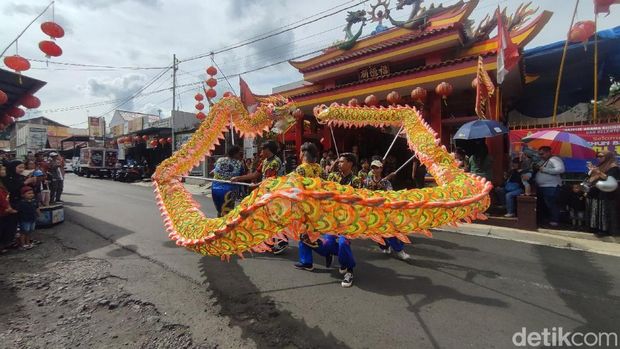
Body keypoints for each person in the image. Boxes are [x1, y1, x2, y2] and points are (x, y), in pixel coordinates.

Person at [296, 153, 360, 288]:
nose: (339, 163)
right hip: (331, 218)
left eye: (342, 161)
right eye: (339, 161)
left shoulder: (356, 180)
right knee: (326, 244)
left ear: (350, 164)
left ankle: (349, 270)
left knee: (343, 244)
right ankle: (333, 256)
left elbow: (356, 199)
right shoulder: (332, 176)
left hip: (347, 219)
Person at [231, 141, 288, 254]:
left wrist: (255, 185)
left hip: (275, 194)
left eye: (263, 149)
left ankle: (282, 241)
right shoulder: (265, 161)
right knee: (267, 218)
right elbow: (256, 175)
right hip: (266, 194)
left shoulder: (275, 162)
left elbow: (268, 180)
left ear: (268, 150)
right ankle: (271, 240)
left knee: (275, 218)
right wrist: (239, 178)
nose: (261, 152)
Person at [365, 160, 411, 260]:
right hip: (372, 211)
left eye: (377, 168)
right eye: (373, 167)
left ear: (381, 169)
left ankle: (399, 251)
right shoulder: (367, 180)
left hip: (384, 211)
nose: (375, 170)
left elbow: (391, 195)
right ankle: (385, 246)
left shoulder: (386, 183)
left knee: (389, 232)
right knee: (375, 233)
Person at [584, 150, 619, 236]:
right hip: (596, 192)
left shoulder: (613, 167)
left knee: (604, 212)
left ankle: (604, 229)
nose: (599, 158)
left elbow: (611, 179)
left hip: (607, 194)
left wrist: (598, 172)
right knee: (595, 211)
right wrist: (591, 172)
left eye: (601, 156)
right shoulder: (600, 166)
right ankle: (594, 227)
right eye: (598, 156)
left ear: (608, 157)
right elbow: (590, 178)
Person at [534, 146, 565, 227]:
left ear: (548, 152)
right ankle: (545, 220)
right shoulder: (544, 161)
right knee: (543, 204)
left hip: (551, 186)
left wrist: (544, 170)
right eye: (539, 154)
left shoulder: (555, 159)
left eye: (542, 154)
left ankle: (554, 220)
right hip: (542, 186)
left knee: (551, 204)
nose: (540, 156)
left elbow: (561, 170)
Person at [211, 146, 245, 217]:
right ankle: (224, 225)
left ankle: (219, 222)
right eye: (239, 153)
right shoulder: (239, 164)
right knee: (227, 211)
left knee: (220, 210)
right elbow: (242, 175)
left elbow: (214, 171)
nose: (240, 155)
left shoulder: (220, 160)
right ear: (235, 153)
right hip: (229, 190)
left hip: (215, 188)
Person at [0, 163, 18, 253]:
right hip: (3, 209)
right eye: (2, 170)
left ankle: (6, 243)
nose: (4, 171)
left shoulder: (3, 180)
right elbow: (1, 198)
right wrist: (8, 207)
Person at [16, 186, 39, 250]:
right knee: (23, 232)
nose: (31, 194)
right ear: (23, 195)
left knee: (29, 232)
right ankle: (22, 244)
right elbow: (17, 211)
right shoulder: (21, 203)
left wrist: (38, 214)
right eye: (29, 193)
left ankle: (28, 243)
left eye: (32, 193)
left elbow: (37, 208)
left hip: (32, 219)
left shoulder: (34, 201)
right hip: (24, 220)